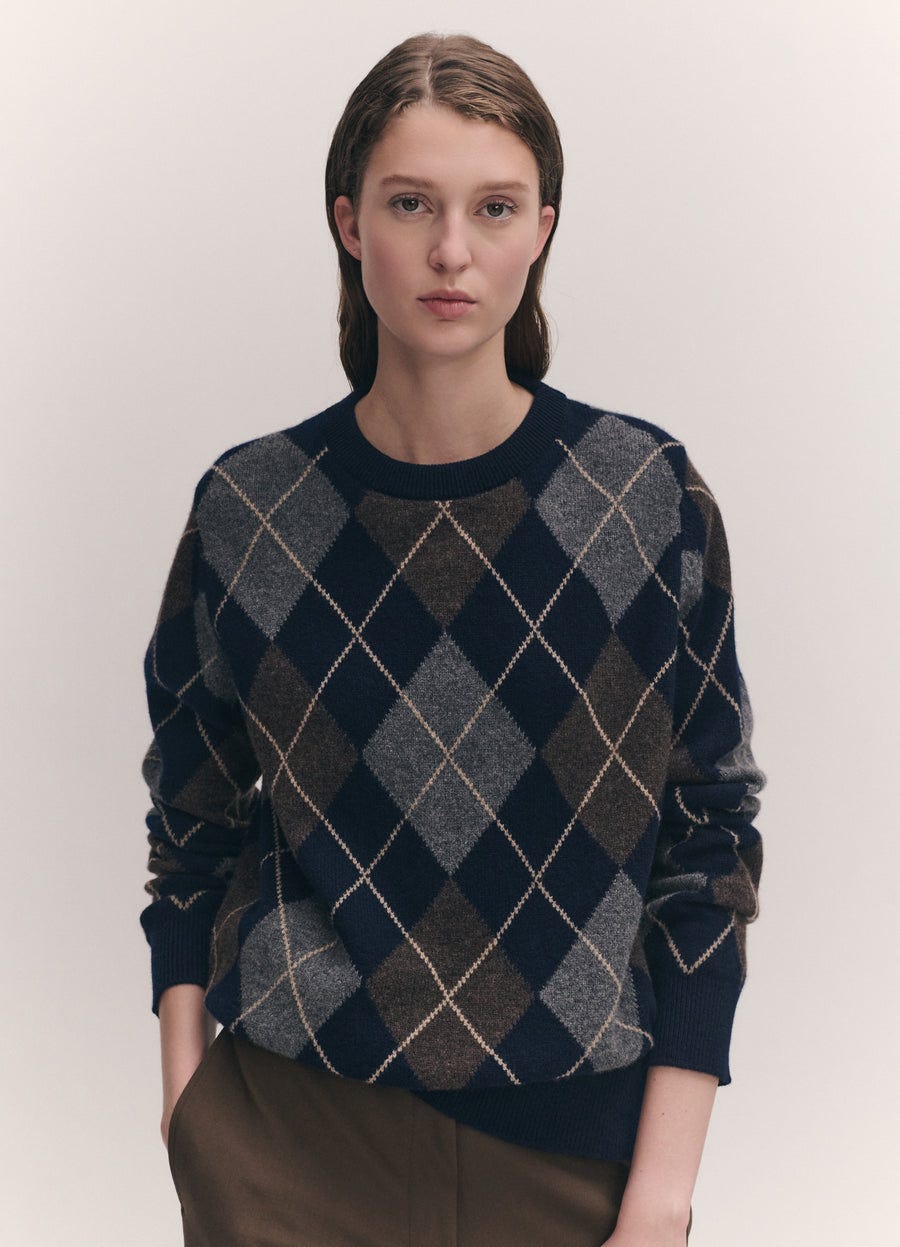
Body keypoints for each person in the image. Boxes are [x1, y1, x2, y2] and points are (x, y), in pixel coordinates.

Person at [139, 30, 766, 1247]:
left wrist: (662, 1191)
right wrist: (187, 1110)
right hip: (283, 1142)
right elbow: (192, 825)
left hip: (577, 1159)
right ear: (348, 222)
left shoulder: (644, 499)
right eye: (411, 202)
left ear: (542, 230)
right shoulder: (250, 508)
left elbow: (709, 845)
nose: (451, 251)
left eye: (495, 207)